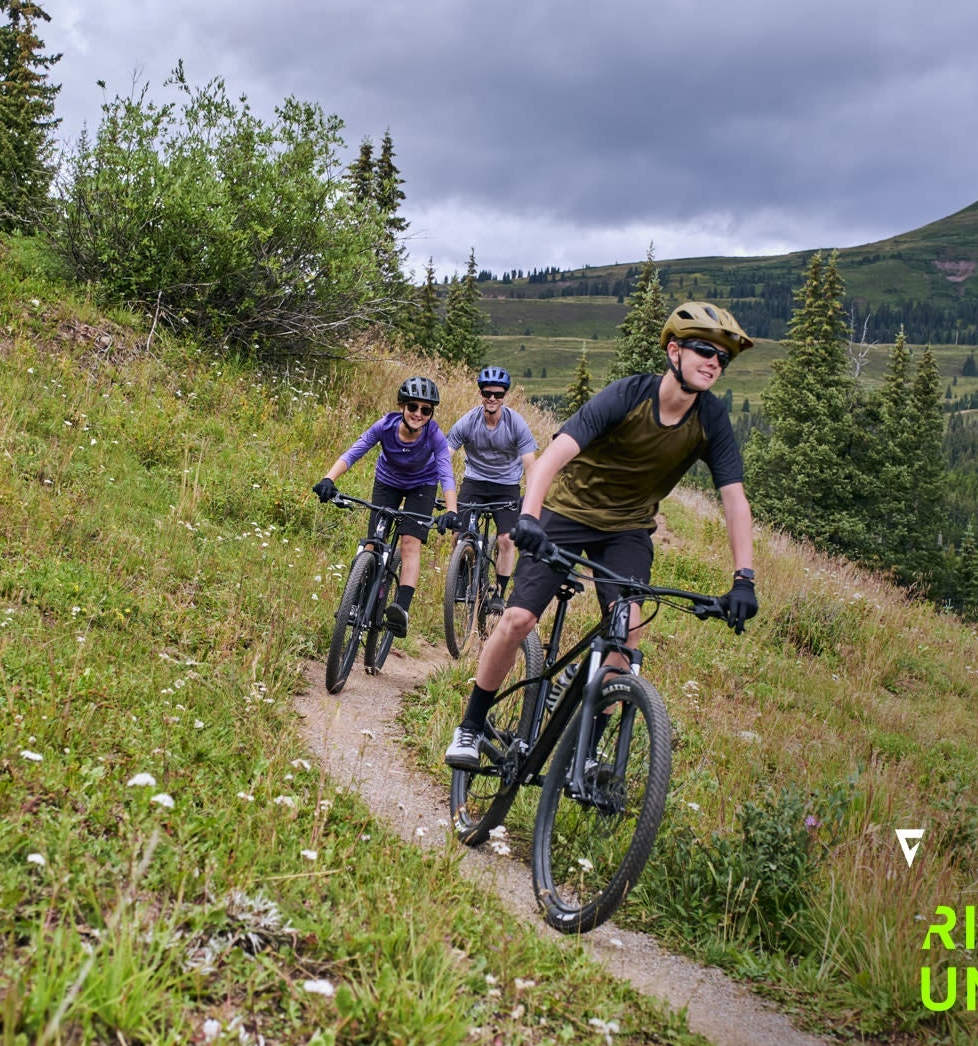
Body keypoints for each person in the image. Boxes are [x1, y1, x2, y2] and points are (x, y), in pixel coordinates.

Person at [445, 302, 761, 770]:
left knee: (627, 631)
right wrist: (529, 518)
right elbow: (551, 460)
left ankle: (587, 752)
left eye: (722, 357)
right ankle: (470, 726)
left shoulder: (710, 420)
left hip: (628, 528)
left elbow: (734, 500)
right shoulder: (628, 395)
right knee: (518, 620)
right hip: (566, 512)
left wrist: (744, 578)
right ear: (674, 350)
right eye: (703, 350)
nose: (714, 362)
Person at [312, 376, 458, 637]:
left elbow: (446, 473)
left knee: (410, 543)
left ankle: (400, 610)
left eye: (426, 410)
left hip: (422, 486)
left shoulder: (434, 435)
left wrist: (451, 511)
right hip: (387, 481)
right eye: (413, 407)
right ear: (402, 406)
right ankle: (355, 604)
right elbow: (354, 451)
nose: (418, 414)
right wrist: (329, 478)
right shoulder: (385, 426)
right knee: (372, 543)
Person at [445, 365, 538, 614]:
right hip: (475, 482)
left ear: (505, 396)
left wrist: (530, 498)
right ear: (481, 394)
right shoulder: (468, 421)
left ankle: (499, 592)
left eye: (498, 394)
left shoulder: (516, 423)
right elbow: (445, 455)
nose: (493, 398)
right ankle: (462, 575)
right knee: (458, 535)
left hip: (506, 485)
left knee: (506, 539)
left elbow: (531, 465)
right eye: (488, 393)